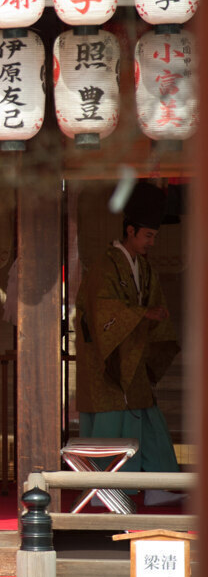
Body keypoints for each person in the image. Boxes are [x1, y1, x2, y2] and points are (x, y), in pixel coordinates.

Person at [75, 181, 182, 506]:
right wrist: (141, 314)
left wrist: (153, 317)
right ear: (130, 231)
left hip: (133, 357)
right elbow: (100, 306)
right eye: (148, 235)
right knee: (112, 422)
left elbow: (151, 302)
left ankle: (154, 483)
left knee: (147, 419)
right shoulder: (106, 265)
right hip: (107, 361)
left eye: (154, 237)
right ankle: (101, 491)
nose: (152, 242)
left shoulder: (143, 267)